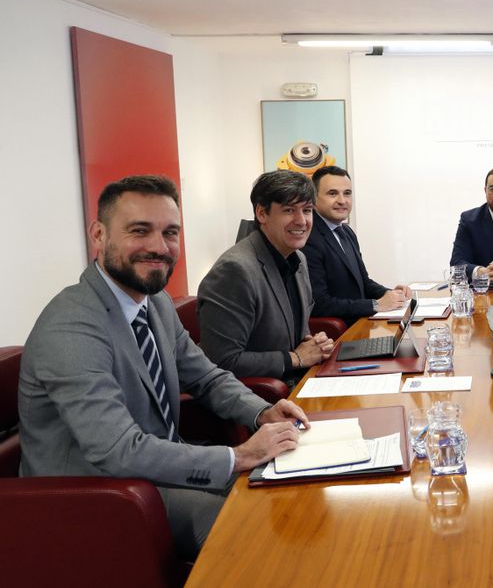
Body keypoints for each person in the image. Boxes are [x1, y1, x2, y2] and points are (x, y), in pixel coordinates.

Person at [18, 175, 309, 560]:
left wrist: (261, 412)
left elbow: (206, 377)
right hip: (97, 497)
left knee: (290, 496)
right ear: (99, 234)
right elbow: (118, 451)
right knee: (255, 530)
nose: (159, 246)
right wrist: (238, 457)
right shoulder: (71, 325)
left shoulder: (153, 303)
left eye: (170, 232)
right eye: (140, 231)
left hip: (155, 473)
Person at [198, 170, 334, 382]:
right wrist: (295, 358)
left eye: (307, 210)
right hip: (264, 394)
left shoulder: (298, 258)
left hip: (300, 380)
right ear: (262, 214)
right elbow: (221, 361)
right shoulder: (235, 270)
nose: (302, 221)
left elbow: (295, 334)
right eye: (289, 210)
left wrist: (313, 344)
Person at [302, 165, 411, 323]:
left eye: (347, 193)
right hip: (339, 332)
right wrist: (375, 305)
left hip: (361, 323)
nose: (342, 201)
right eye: (332, 193)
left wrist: (391, 294)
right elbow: (319, 303)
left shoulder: (346, 232)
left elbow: (364, 282)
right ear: (314, 199)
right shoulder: (308, 238)